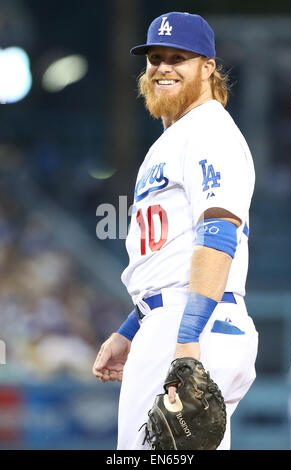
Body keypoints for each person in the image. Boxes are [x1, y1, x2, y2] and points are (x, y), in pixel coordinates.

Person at [93, 11, 258, 450]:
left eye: (178, 57)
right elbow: (169, 259)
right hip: (171, 320)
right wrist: (130, 331)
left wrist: (186, 344)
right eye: (155, 58)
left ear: (208, 68)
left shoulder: (210, 131)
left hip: (192, 326)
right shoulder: (176, 138)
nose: (162, 67)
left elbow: (218, 235)